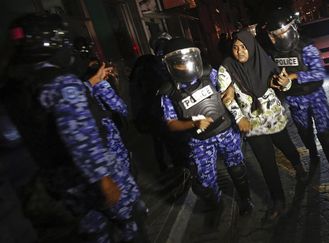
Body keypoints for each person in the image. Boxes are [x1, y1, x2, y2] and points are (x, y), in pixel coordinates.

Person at [2, 13, 146, 242]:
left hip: (58, 182)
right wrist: (104, 180)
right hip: (91, 178)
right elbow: (81, 138)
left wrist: (91, 82)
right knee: (132, 221)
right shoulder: (60, 82)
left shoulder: (15, 87)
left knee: (96, 233)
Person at [264, 7, 329, 199]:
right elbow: (273, 74)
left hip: (315, 97)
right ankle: (313, 153)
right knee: (305, 133)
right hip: (295, 101)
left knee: (327, 137)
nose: (276, 39)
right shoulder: (273, 53)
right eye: (273, 35)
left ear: (291, 29)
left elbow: (319, 74)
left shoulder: (307, 48)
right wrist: (275, 83)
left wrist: (295, 76)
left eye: (280, 34)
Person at [218, 30, 307, 221]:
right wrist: (238, 117)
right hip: (251, 124)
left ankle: (298, 165)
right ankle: (278, 200)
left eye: (243, 47)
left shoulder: (264, 61)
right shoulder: (227, 67)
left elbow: (282, 84)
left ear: (251, 47)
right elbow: (226, 96)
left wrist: (285, 84)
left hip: (273, 117)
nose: (240, 51)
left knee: (286, 146)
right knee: (266, 163)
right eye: (235, 47)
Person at [159, 37, 253, 215]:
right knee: (204, 184)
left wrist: (230, 91)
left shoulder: (209, 73)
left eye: (188, 61)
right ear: (171, 65)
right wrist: (193, 123)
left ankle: (245, 199)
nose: (185, 66)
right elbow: (171, 124)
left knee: (237, 168)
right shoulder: (169, 91)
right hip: (200, 140)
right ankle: (216, 205)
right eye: (179, 63)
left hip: (225, 130)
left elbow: (228, 84)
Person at [129, 32, 190, 172]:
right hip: (167, 112)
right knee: (180, 146)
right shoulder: (166, 62)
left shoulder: (143, 64)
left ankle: (172, 169)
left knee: (164, 143)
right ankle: (185, 173)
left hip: (153, 115)